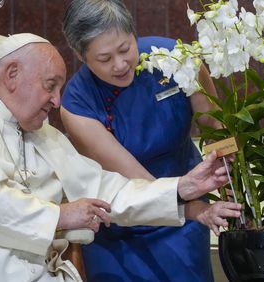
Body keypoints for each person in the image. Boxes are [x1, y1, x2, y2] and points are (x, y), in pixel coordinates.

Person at [0, 33, 242, 282]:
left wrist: (180, 188)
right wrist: (59, 217)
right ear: (12, 74)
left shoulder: (46, 137)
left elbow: (105, 189)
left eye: (59, 88)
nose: (57, 101)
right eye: (50, 86)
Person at [61, 0, 225, 281]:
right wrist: (196, 209)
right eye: (104, 59)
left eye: (125, 49)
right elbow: (136, 179)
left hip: (184, 221)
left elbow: (215, 126)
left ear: (134, 33)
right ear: (80, 55)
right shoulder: (77, 104)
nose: (120, 64)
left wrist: (230, 176)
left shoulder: (175, 57)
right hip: (120, 225)